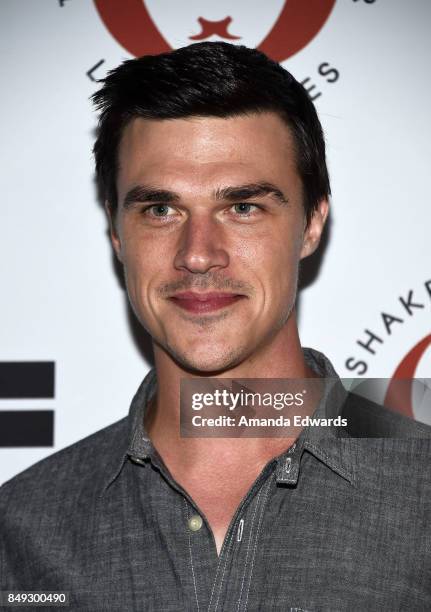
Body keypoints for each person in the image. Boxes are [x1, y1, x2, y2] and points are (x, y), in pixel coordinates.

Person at [0, 42, 430, 611]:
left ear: (311, 224)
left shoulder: (422, 490)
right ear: (116, 233)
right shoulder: (22, 528)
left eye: (243, 207)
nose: (198, 255)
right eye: (160, 210)